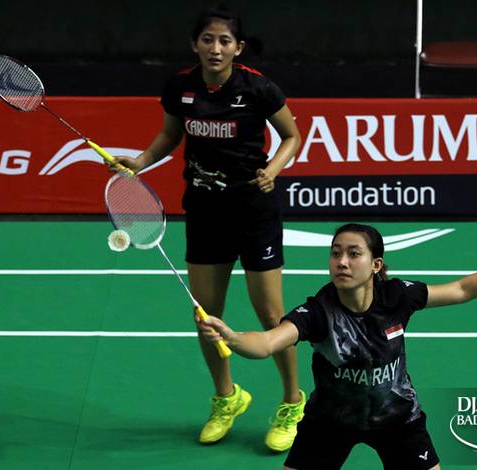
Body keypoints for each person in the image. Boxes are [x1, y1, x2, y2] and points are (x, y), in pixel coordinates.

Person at [197, 212, 477, 469]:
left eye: (354, 254)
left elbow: (461, 289)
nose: (342, 262)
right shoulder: (318, 311)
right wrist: (234, 338)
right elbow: (268, 343)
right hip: (331, 421)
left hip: (397, 419)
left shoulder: (397, 296)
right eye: (336, 253)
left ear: (376, 264)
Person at [113, 6, 304, 451]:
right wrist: (140, 162)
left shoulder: (257, 87)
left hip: (253, 209)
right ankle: (226, 397)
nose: (215, 48)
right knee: (205, 315)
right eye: (207, 39)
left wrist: (274, 169)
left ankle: (293, 402)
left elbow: (292, 135)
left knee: (271, 315)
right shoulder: (180, 86)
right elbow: (170, 136)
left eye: (224, 41)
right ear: (194, 44)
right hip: (204, 209)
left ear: (238, 47)